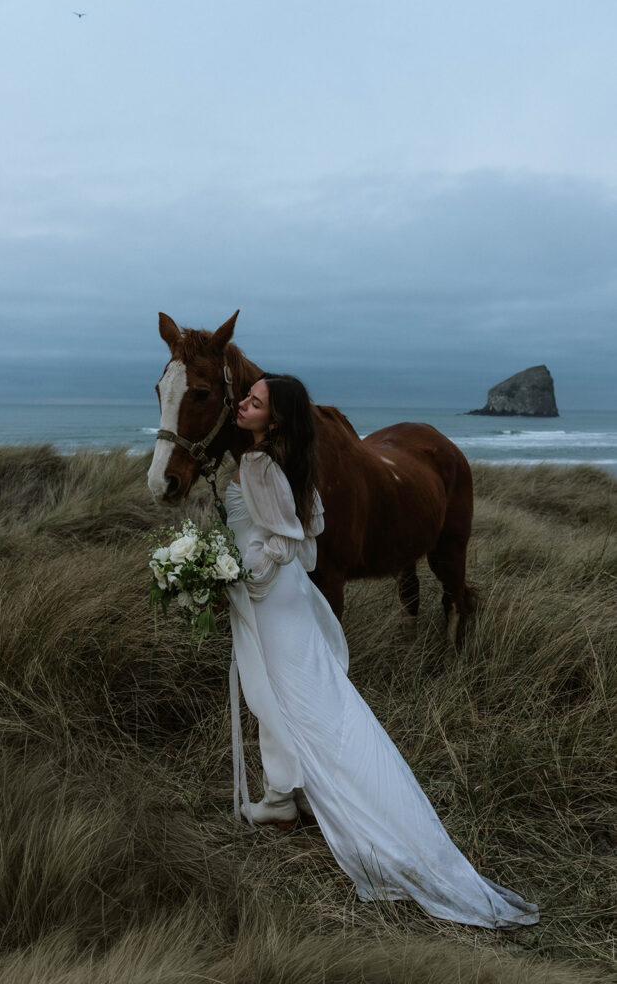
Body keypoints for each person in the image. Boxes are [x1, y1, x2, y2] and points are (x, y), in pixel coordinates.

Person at [225, 373, 539, 930]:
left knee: (289, 698)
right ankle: (290, 792)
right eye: (244, 396)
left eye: (253, 401)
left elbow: (291, 538)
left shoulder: (257, 465)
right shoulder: (292, 459)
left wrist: (235, 573)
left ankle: (294, 800)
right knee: (317, 701)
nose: (241, 404)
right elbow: (315, 522)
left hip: (270, 597)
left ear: (274, 419)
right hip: (292, 598)